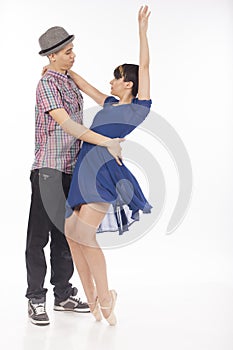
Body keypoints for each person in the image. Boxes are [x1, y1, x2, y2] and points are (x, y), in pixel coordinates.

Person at [26, 26, 124, 326]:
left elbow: (99, 94)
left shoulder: (67, 81)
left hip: (71, 169)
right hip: (48, 169)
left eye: (72, 50)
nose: (73, 55)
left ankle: (63, 294)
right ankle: (35, 299)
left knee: (66, 237)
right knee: (38, 237)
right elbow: (67, 125)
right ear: (53, 55)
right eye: (68, 52)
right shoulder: (46, 85)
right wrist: (106, 141)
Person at [64, 5, 152, 326]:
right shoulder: (111, 103)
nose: (111, 83)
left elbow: (143, 66)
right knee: (72, 234)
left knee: (86, 235)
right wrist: (60, 68)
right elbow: (88, 88)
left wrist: (141, 32)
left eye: (116, 78)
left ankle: (106, 298)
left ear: (127, 83)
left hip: (104, 171)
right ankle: (92, 300)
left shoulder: (138, 109)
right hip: (83, 166)